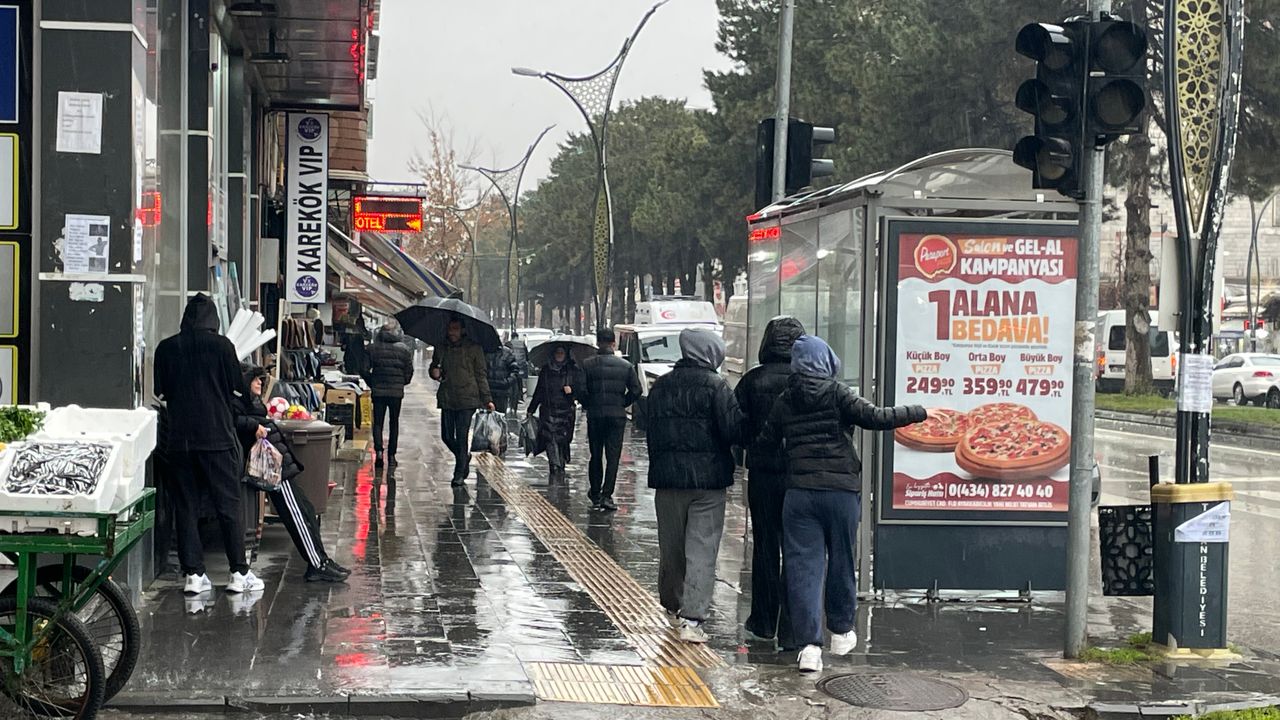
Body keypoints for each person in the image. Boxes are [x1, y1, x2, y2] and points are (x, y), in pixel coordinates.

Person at [761, 335, 928, 673]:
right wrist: (919, 412)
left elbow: (765, 442)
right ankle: (840, 630)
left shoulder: (785, 400)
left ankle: (809, 648)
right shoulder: (838, 393)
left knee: (803, 568)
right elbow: (876, 417)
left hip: (800, 494)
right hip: (840, 492)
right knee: (842, 558)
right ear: (826, 361)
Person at [154, 293, 264, 595]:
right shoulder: (222, 346)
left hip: (180, 441)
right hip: (217, 437)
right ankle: (239, 572)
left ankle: (193, 574)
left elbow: (161, 393)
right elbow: (236, 389)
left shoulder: (166, 348)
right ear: (213, 320)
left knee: (186, 507)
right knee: (228, 505)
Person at [646, 329, 744, 644]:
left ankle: (672, 603)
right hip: (708, 482)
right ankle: (692, 619)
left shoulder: (661, 386)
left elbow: (649, 429)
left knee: (672, 548)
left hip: (668, 480)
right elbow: (734, 430)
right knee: (702, 549)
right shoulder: (717, 386)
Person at [235, 366, 350, 583]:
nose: (260, 383)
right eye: (255, 379)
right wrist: (253, 425)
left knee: (305, 510)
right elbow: (234, 420)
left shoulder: (251, 402)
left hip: (278, 465)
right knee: (297, 515)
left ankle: (321, 559)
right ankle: (317, 563)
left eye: (261, 379)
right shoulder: (239, 404)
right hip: (273, 470)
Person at [734, 316, 805, 648]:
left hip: (763, 474)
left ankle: (763, 621)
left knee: (765, 546)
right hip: (799, 475)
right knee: (796, 549)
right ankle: (791, 629)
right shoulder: (807, 380)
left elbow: (737, 425)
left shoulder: (752, 380)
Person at [579, 328, 642, 511]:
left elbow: (580, 390)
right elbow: (637, 390)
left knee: (596, 455)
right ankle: (607, 495)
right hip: (616, 416)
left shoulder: (587, 365)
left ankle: (595, 492)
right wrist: (623, 403)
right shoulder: (625, 366)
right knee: (613, 457)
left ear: (598, 343)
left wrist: (589, 403)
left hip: (596, 415)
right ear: (613, 344)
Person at [429, 316, 493, 487]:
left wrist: (487, 399)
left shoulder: (474, 348)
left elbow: (481, 375)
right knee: (447, 436)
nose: (452, 333)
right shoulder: (442, 347)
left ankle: (459, 474)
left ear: (462, 330)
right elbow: (435, 367)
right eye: (450, 329)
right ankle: (464, 457)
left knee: (462, 436)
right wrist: (434, 372)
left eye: (456, 329)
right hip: (448, 397)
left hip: (468, 398)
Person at [527, 344, 584, 482]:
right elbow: (539, 390)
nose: (559, 355)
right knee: (549, 438)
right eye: (557, 352)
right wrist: (531, 408)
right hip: (548, 410)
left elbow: (581, 389)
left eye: (562, 353)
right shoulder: (546, 370)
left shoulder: (573, 370)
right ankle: (554, 465)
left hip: (566, 412)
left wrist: (572, 390)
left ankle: (561, 462)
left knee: (563, 439)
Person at [364, 320, 414, 469]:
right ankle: (392, 456)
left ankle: (379, 452)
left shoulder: (372, 348)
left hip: (378, 391)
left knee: (378, 423)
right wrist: (402, 382)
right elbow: (409, 371)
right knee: (394, 423)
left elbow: (364, 369)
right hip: (396, 393)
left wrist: (372, 382)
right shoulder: (404, 350)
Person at [486, 341, 520, 414]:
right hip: (487, 391)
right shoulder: (484, 352)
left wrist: (507, 382)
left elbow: (515, 370)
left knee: (500, 416)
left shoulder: (507, 352)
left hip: (501, 392)